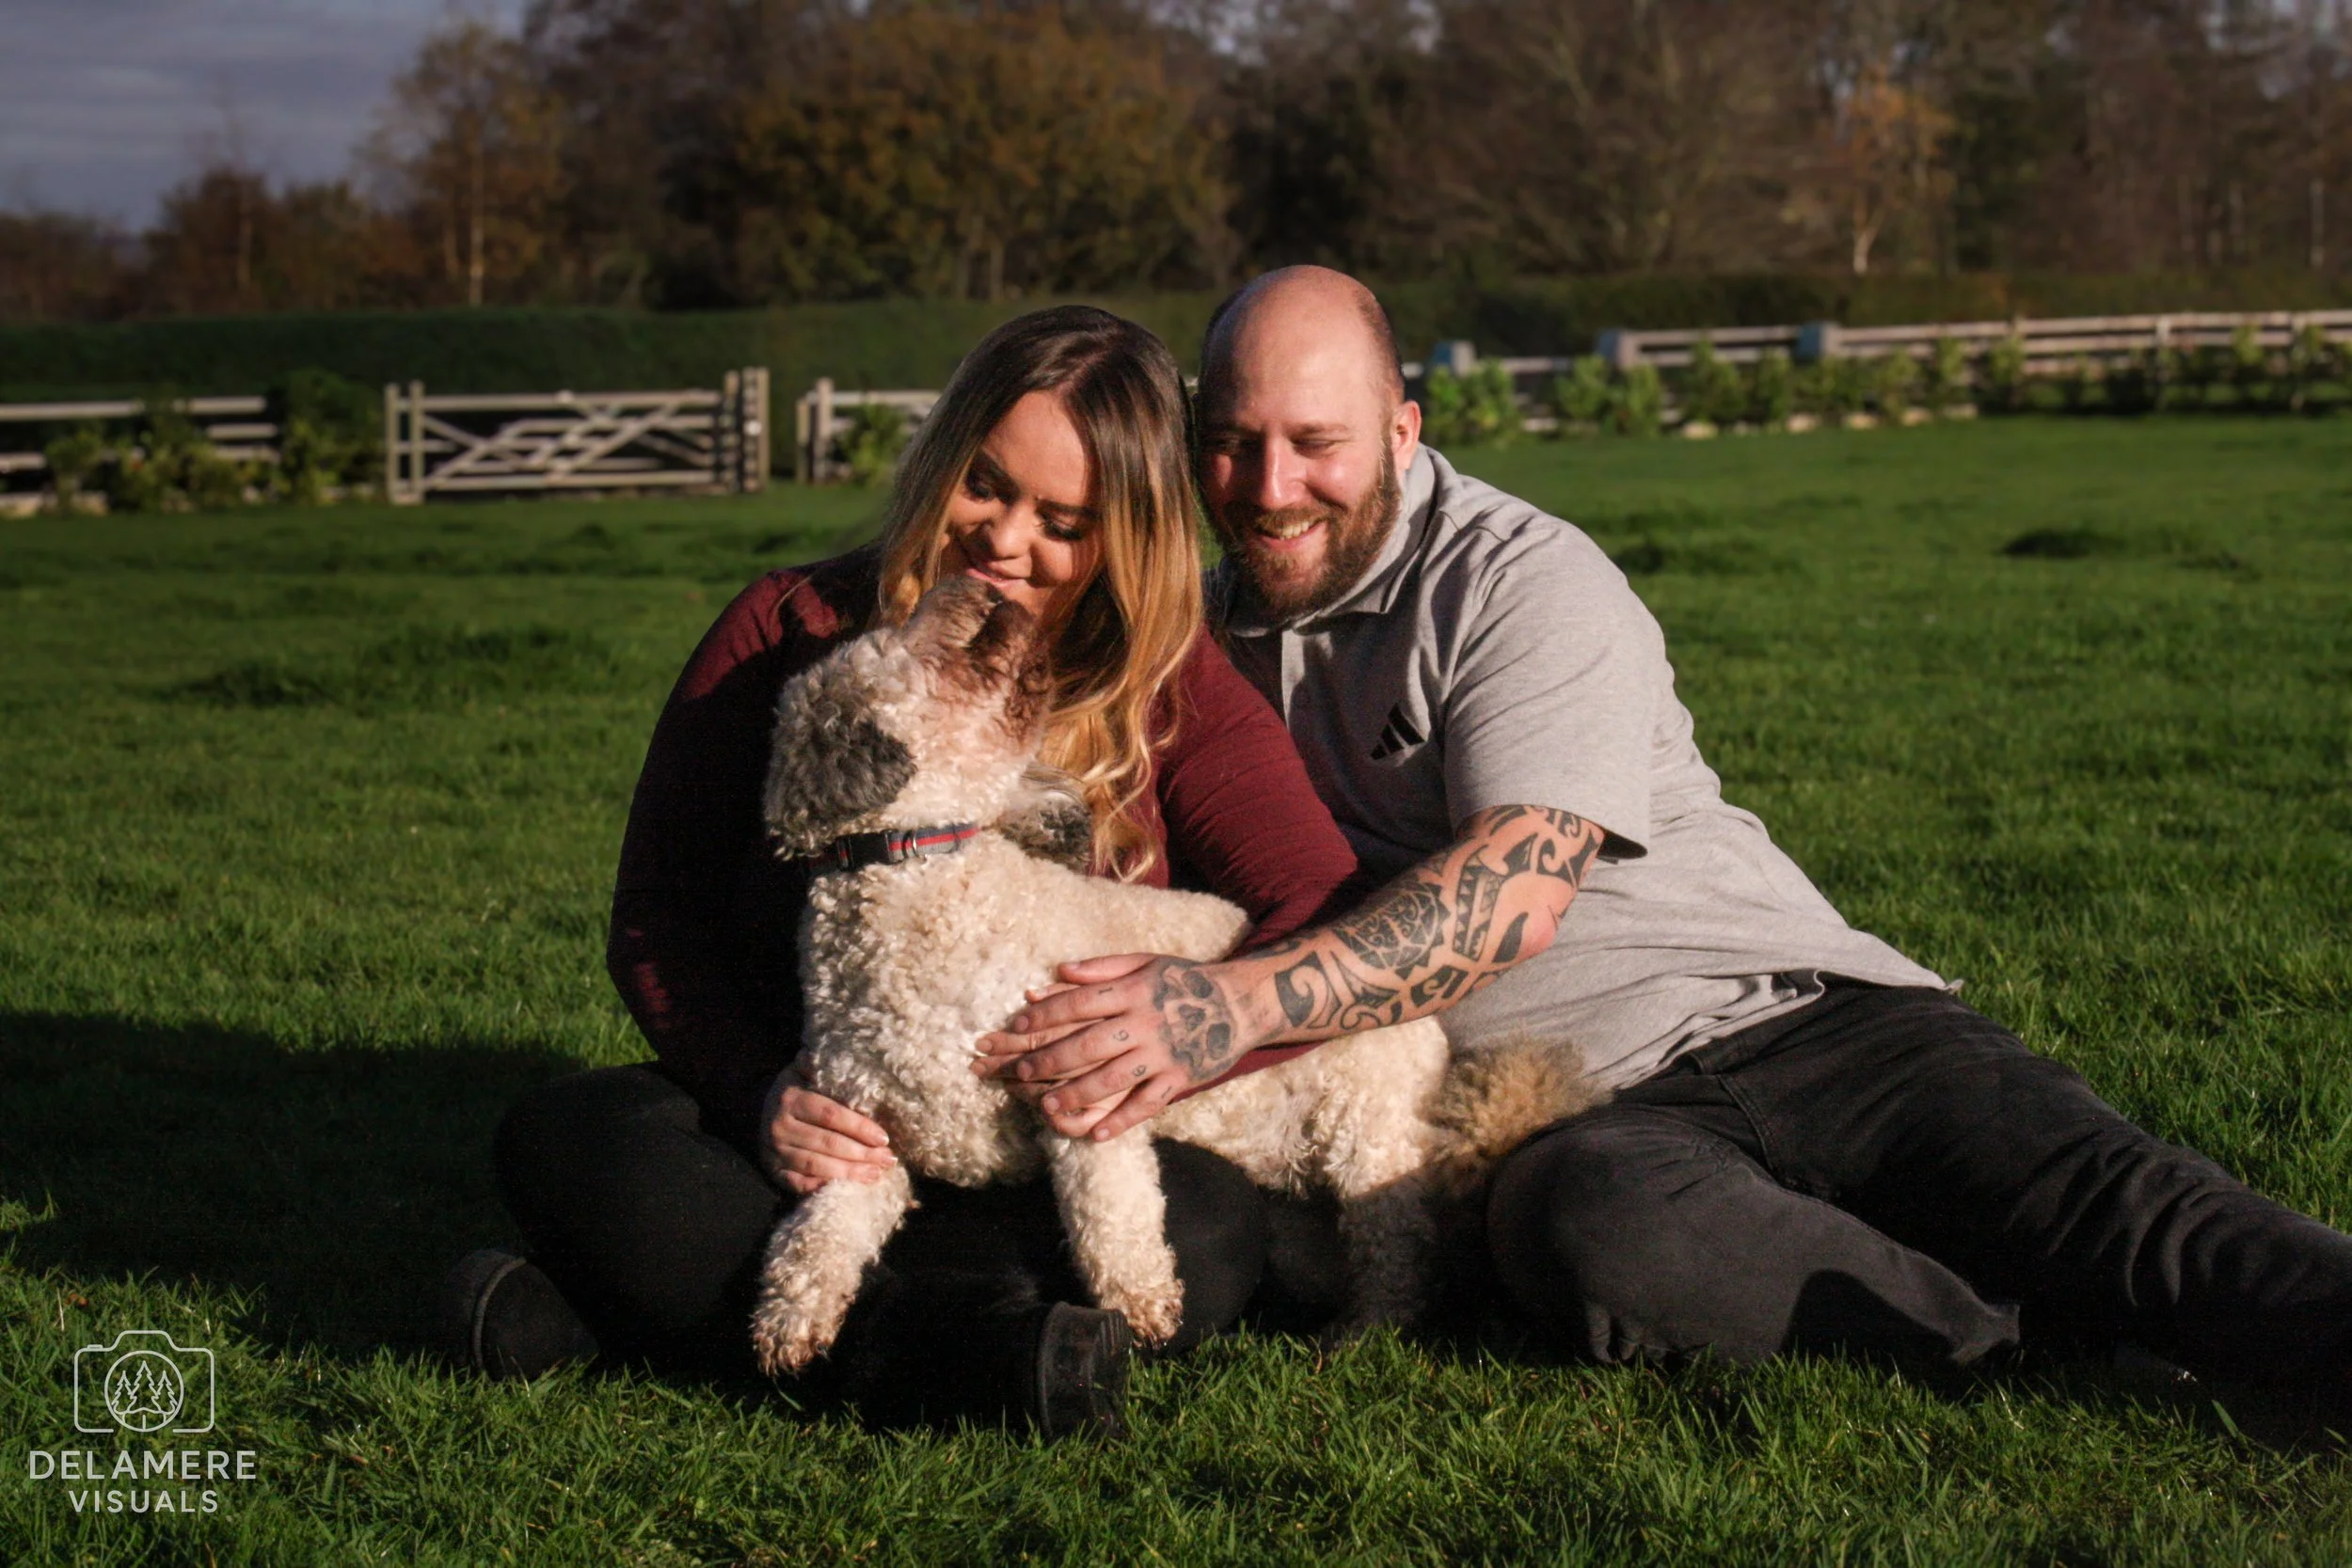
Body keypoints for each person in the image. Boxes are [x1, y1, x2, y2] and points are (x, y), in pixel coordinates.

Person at [979, 266, 2352, 1404]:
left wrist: (1229, 1009)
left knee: (2139, 1218)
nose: (1269, 484)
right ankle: (2037, 1352)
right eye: (1231, 438)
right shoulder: (1195, 641)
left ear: (1402, 430)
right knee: (1588, 1234)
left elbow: (1515, 892)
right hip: (1602, 1116)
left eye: (1316, 442)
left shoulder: (1519, 575)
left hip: (1817, 1023)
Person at [441, 306, 1366, 1436]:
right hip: (822, 1141)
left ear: (1124, 538)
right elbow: (656, 916)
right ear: (941, 455)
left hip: (1044, 1153)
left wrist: (1204, 1018)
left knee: (1210, 1223)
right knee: (573, 1134)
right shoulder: (789, 627)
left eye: (1064, 520)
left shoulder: (1167, 682)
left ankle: (634, 1315)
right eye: (986, 482)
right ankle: (971, 1357)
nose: (1006, 538)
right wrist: (762, 1094)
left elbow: (1322, 907)